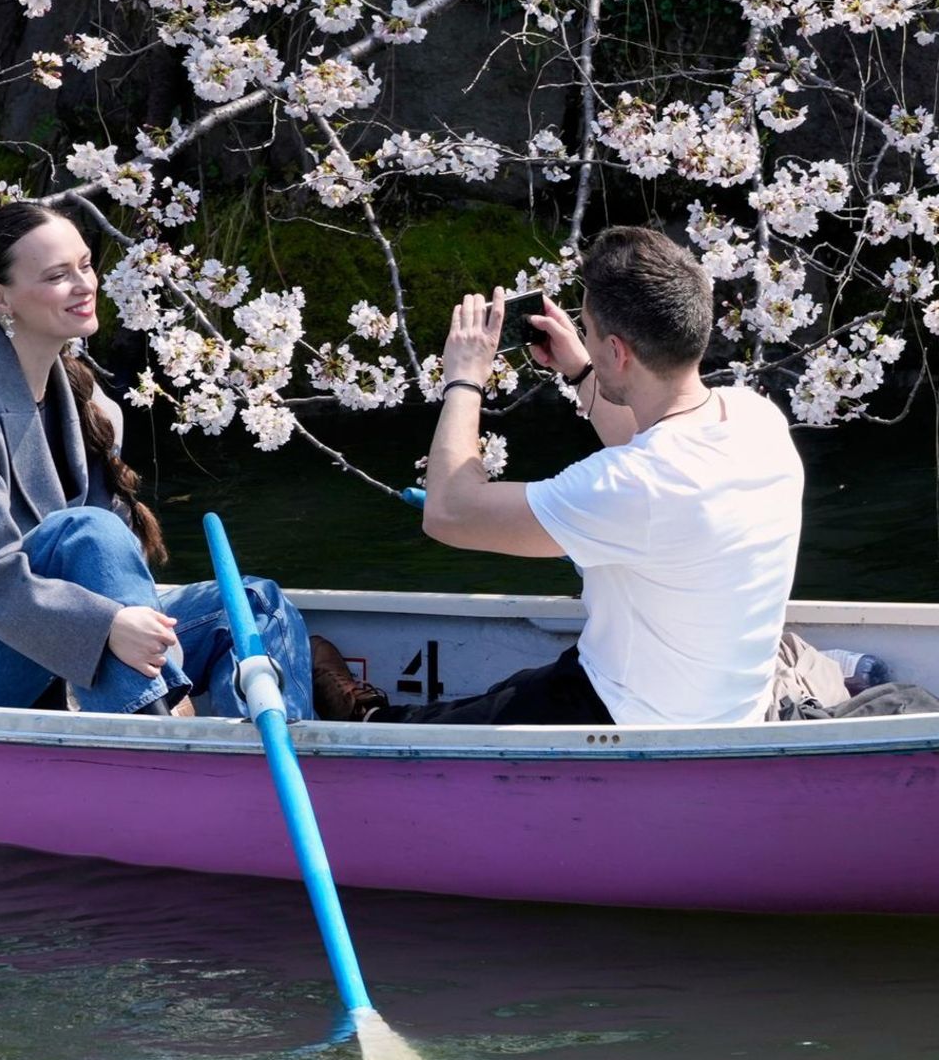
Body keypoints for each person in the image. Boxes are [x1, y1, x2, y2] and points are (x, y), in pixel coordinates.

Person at [312, 225, 805, 727]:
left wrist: (463, 378)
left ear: (618, 351)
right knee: (515, 690)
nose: (582, 340)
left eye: (587, 331)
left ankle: (369, 719)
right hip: (719, 704)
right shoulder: (755, 417)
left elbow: (448, 512)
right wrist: (581, 371)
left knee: (423, 729)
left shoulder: (628, 486)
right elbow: (651, 447)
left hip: (632, 718)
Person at [0, 200, 313, 719]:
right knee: (87, 531)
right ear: (0, 297)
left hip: (52, 635)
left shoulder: (85, 398)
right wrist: (107, 627)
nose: (84, 284)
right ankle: (164, 735)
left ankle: (258, 755)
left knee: (254, 605)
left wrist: (119, 624)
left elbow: (109, 567)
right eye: (57, 275)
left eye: (86, 265)